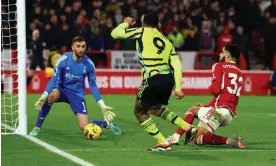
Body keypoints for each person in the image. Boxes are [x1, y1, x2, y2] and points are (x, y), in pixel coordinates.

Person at [111, 13, 193, 151]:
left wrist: (125, 23)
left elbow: (115, 34)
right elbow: (177, 64)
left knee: (139, 112)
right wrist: (178, 87)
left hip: (153, 78)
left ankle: (162, 141)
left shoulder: (142, 31)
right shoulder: (166, 40)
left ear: (144, 23)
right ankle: (186, 126)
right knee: (155, 109)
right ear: (158, 25)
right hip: (168, 79)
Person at [29, 36, 121, 136]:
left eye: (83, 46)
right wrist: (44, 95)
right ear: (73, 47)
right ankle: (37, 127)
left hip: (77, 94)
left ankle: (106, 123)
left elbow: (93, 86)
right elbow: (54, 79)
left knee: (84, 126)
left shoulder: (89, 64)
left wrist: (102, 105)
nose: (81, 49)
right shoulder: (63, 59)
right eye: (78, 46)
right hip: (61, 89)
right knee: (52, 95)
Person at [167, 44, 245, 148]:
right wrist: (207, 106)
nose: (220, 53)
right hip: (229, 114)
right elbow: (226, 98)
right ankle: (233, 141)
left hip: (218, 111)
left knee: (192, 110)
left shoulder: (218, 66)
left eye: (223, 51)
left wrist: (211, 85)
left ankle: (176, 136)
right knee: (198, 139)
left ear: (228, 55)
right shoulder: (239, 72)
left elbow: (216, 90)